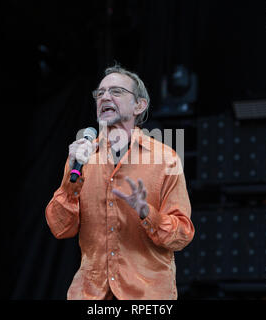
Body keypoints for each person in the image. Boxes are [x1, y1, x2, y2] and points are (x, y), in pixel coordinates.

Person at [45, 64, 194, 300]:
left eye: (116, 91)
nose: (105, 97)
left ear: (139, 105)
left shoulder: (165, 159)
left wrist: (147, 212)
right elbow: (61, 228)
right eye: (100, 93)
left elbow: (182, 235)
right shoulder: (82, 157)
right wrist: (69, 184)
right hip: (90, 294)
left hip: (146, 295)